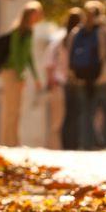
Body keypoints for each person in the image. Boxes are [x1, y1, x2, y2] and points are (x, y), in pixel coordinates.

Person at [69, 1, 106, 150]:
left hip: (83, 79)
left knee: (86, 113)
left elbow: (70, 56)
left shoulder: (76, 32)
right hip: (104, 78)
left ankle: (86, 143)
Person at [0, 1, 43, 147]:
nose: (38, 17)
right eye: (36, 14)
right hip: (11, 71)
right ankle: (8, 141)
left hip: (18, 72)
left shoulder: (30, 32)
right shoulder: (18, 32)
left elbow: (29, 57)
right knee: (11, 108)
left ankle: (14, 141)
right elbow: (16, 55)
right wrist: (20, 76)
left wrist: (36, 77)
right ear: (29, 15)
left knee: (17, 109)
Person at [44, 8, 81, 150]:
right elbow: (49, 63)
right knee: (65, 118)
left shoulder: (59, 41)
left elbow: (48, 64)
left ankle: (61, 147)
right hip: (66, 83)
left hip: (63, 83)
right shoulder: (60, 42)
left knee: (59, 119)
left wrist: (51, 81)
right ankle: (59, 148)